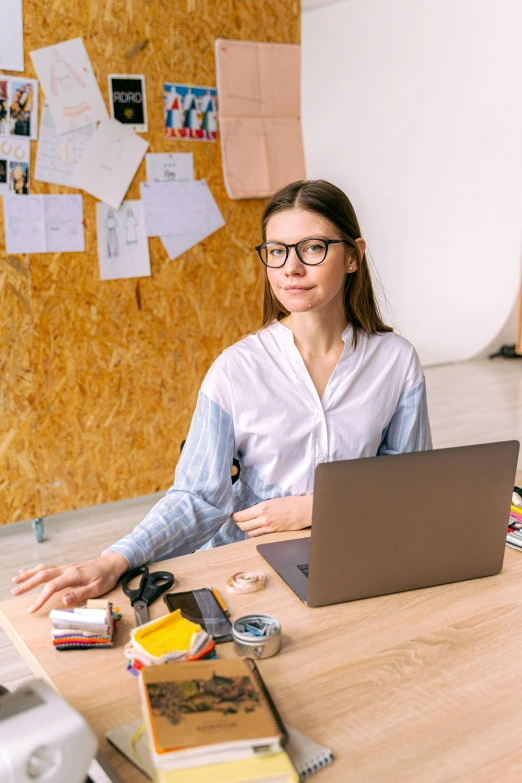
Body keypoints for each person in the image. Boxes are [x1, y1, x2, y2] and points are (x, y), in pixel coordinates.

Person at [12, 179, 432, 613]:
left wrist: (315, 508)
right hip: (250, 570)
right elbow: (197, 497)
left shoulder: (396, 362)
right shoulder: (236, 370)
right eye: (277, 251)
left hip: (355, 554)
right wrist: (113, 560)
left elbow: (410, 482)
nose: (290, 268)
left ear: (353, 256)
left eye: (312, 248)